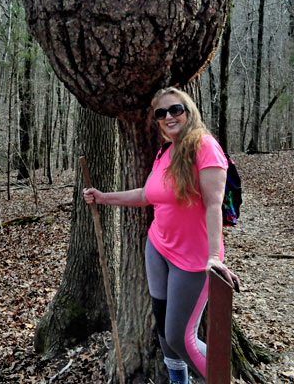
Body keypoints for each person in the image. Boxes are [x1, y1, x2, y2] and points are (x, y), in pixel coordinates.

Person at [83, 86, 240, 384]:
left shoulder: (205, 147)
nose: (168, 116)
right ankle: (179, 382)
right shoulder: (166, 151)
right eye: (161, 113)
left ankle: (221, 378)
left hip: (194, 259)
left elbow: (213, 205)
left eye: (175, 109)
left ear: (189, 110)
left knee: (181, 337)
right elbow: (146, 194)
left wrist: (212, 256)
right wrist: (104, 197)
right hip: (158, 248)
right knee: (165, 332)